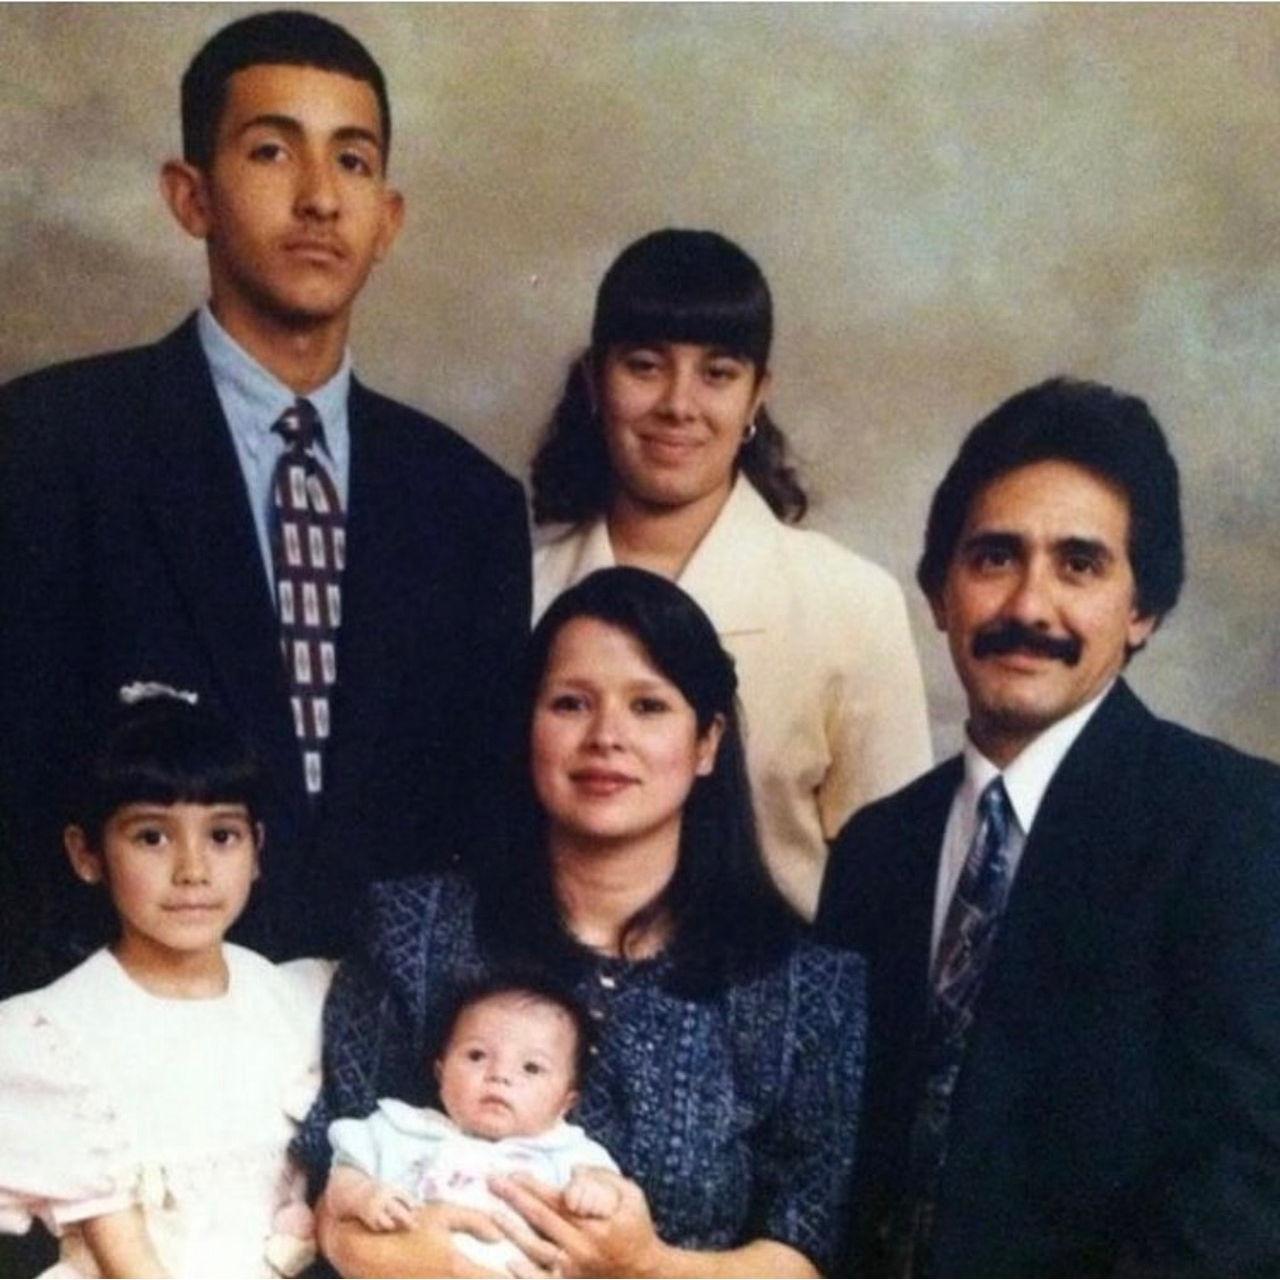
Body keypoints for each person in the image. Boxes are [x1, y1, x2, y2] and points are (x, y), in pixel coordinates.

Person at [0, 10, 530, 991]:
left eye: (353, 161)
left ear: (388, 218)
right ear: (190, 195)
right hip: (106, 1025)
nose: (320, 197)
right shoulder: (46, 445)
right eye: (272, 151)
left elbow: (481, 828)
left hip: (389, 1035)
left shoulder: (469, 505)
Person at [816, 378, 1280, 1275]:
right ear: (940, 593)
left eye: (1079, 565)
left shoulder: (1236, 826)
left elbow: (1248, 1184)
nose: (1029, 607)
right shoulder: (877, 849)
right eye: (995, 558)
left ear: (1142, 610)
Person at [299, 566, 867, 1278]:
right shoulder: (411, 931)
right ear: (528, 727)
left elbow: (805, 1249)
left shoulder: (806, 987)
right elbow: (327, 1174)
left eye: (648, 706)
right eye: (571, 703)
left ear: (707, 742)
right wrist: (376, 1251)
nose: (606, 736)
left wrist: (649, 1266)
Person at [531, 228, 931, 919]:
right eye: (645, 366)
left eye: (717, 373)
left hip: (780, 978)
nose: (678, 405)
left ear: (756, 396)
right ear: (596, 381)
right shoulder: (522, 588)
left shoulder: (852, 604)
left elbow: (896, 886)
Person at [0, 695, 332, 1278]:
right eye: (152, 837)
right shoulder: (54, 1035)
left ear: (258, 849)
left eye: (222, 836)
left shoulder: (295, 1001)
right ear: (87, 854)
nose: (193, 871)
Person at [325, 975, 620, 1272]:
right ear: (441, 1073)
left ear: (566, 1102)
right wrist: (364, 1196)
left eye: (531, 1067)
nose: (500, 1075)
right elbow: (341, 1179)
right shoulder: (403, 1129)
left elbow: (613, 1196)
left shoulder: (570, 1153)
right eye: (477, 1055)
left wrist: (596, 1193)